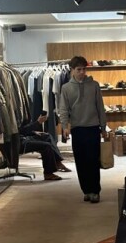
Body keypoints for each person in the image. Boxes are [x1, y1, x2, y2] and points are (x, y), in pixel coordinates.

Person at [57, 56, 107, 203]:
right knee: (81, 161)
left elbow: (100, 107)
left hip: (93, 128)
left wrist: (103, 127)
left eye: (84, 69)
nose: (82, 72)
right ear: (72, 70)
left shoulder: (94, 85)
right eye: (79, 69)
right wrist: (65, 126)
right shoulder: (66, 88)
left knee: (93, 161)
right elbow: (63, 109)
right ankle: (86, 190)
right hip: (77, 129)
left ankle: (95, 191)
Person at [20, 113, 71, 181]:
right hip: (19, 142)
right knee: (46, 146)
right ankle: (48, 173)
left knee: (47, 136)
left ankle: (57, 162)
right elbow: (18, 131)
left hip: (24, 137)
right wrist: (37, 123)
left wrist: (34, 132)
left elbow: (21, 130)